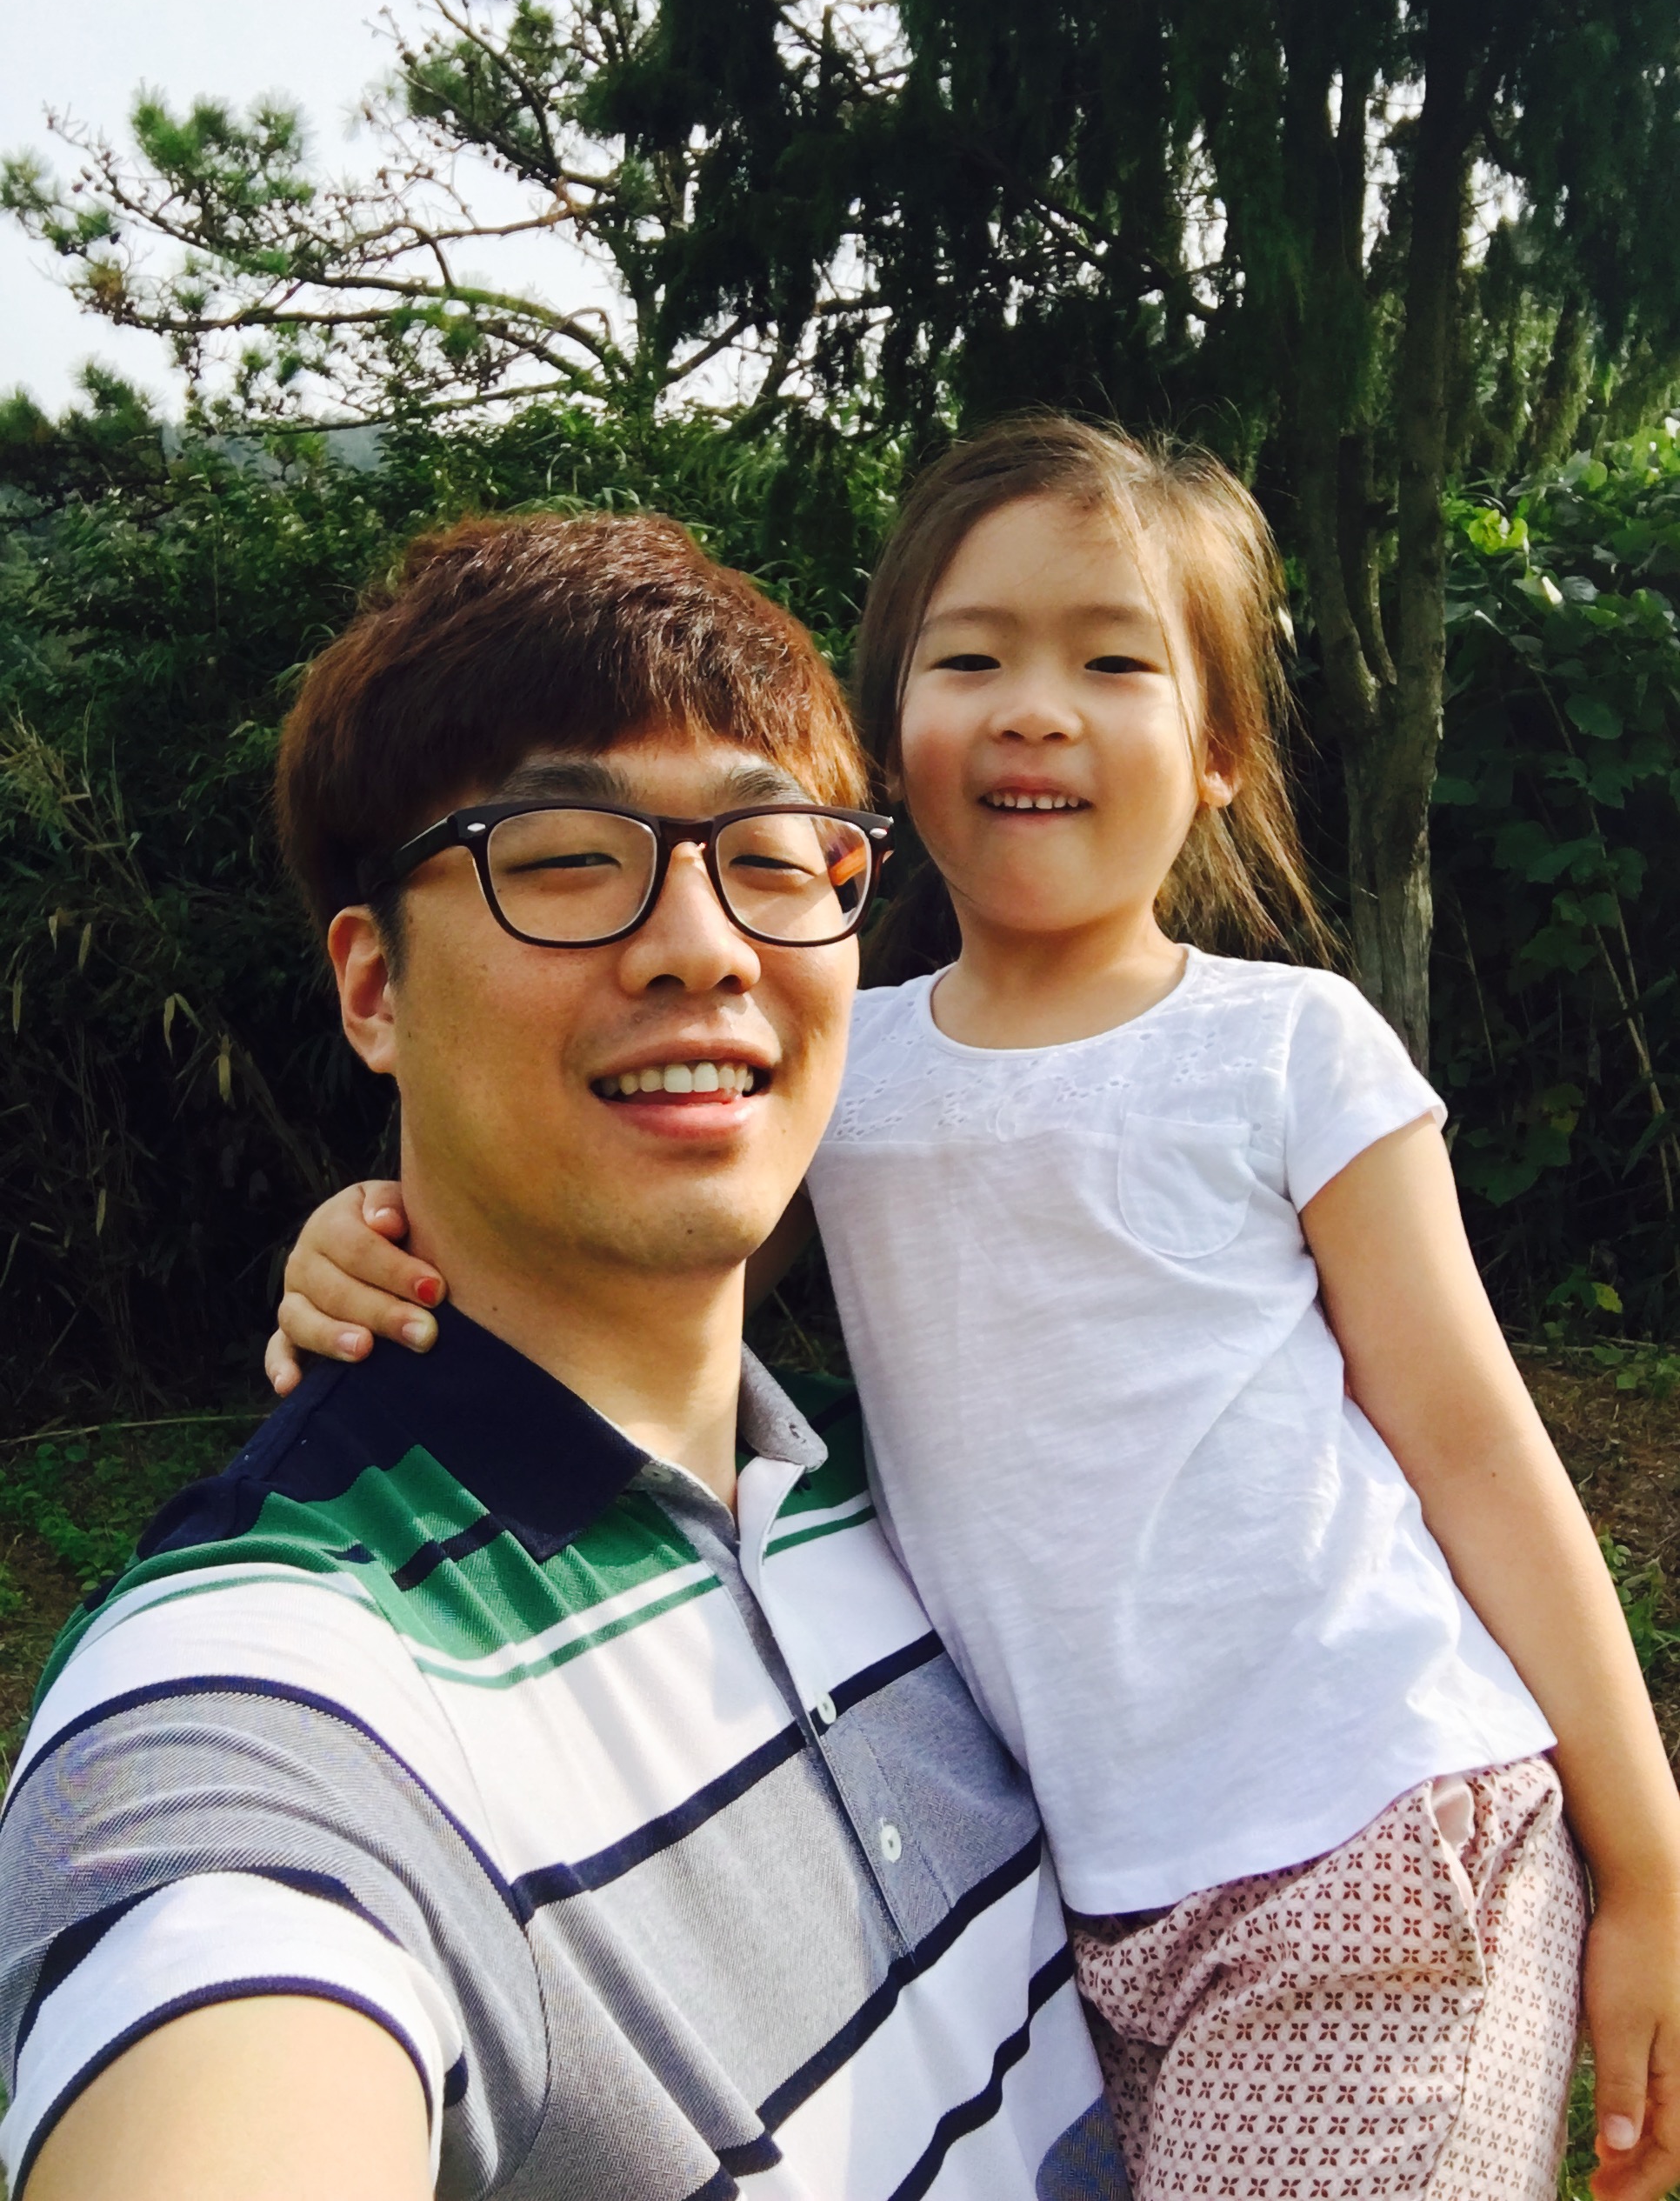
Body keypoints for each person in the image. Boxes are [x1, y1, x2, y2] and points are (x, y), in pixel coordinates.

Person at [273, 417, 1680, 2201]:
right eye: (971, 659)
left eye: (1114, 663)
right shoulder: (828, 1070)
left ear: (1220, 755)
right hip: (1067, 1899)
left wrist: (1649, 1857)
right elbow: (621, 1257)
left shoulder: (1287, 1048)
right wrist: (367, 1232)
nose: (1036, 709)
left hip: (1366, 1831)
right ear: (889, 751)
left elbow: (1474, 1445)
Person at [0, 510, 1131, 2201]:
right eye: (564, 857)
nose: (703, 942)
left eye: (775, 856)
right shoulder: (274, 1708)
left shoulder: (919, 1479)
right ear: (375, 990)